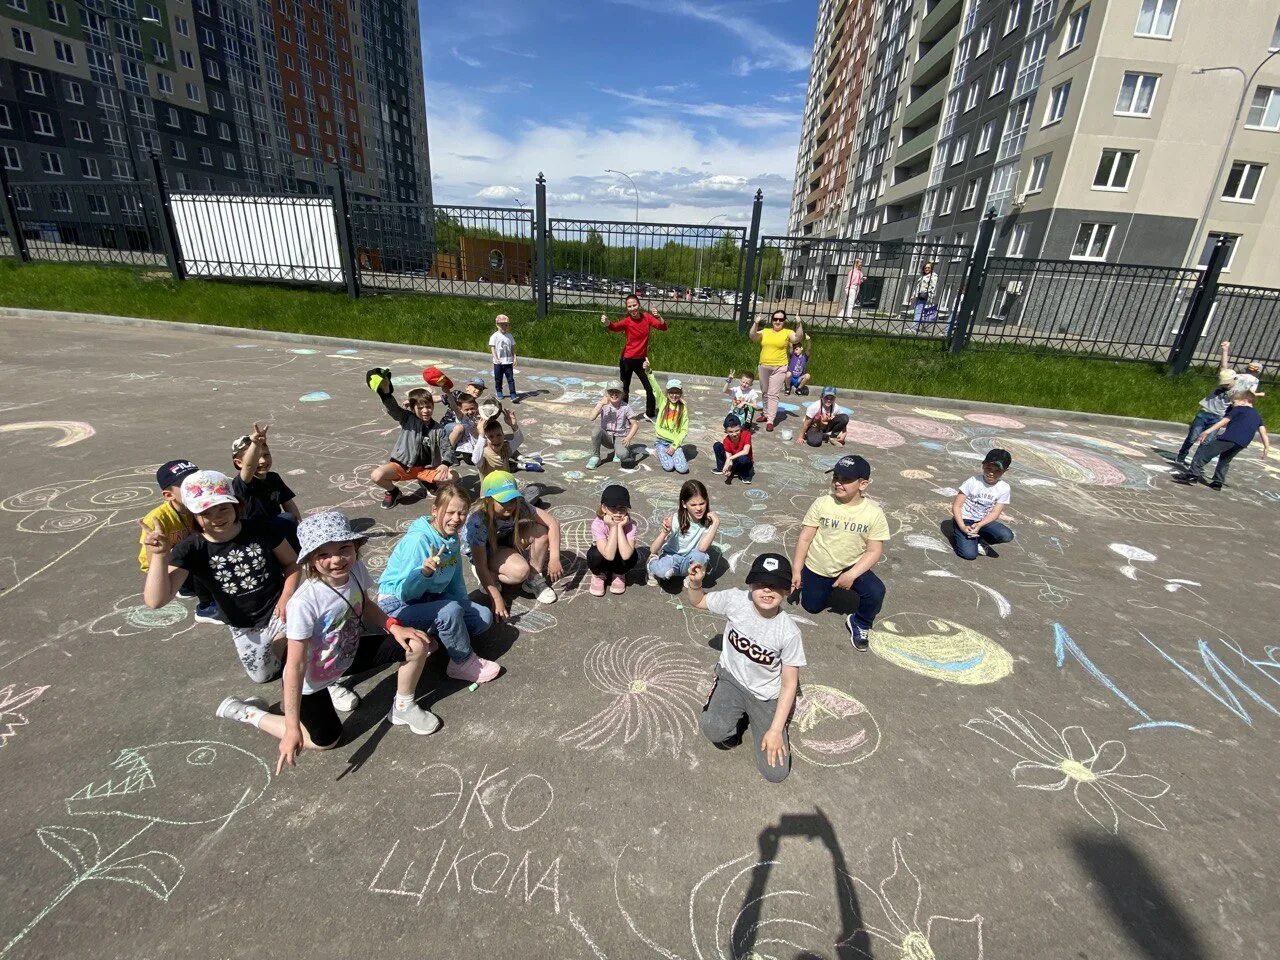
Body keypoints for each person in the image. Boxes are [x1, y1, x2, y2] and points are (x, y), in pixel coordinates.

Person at [215, 511, 441, 773]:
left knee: (415, 644)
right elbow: (295, 666)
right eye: (323, 553)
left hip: (347, 652)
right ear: (311, 558)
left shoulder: (355, 568)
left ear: (355, 546)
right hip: (314, 677)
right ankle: (248, 713)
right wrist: (290, 728)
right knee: (326, 741)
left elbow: (364, 604)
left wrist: (394, 626)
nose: (336, 560)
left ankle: (403, 706)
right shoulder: (304, 602)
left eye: (344, 548)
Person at [141, 470, 304, 687]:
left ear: (236, 506)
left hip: (279, 609)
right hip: (242, 623)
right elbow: (156, 600)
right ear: (193, 514)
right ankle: (290, 654)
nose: (217, 517)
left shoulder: (261, 528)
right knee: (262, 676)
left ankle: (311, 669)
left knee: (301, 654)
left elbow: (291, 563)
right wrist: (160, 556)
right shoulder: (190, 549)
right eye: (206, 512)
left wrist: (287, 596)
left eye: (223, 508)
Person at [687, 553, 805, 785]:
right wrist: (695, 583)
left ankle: (752, 718)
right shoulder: (735, 600)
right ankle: (735, 718)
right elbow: (698, 601)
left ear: (786, 591)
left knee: (776, 773)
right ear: (750, 583)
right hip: (732, 679)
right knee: (714, 731)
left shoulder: (789, 633)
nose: (767, 591)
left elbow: (790, 683)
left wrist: (775, 730)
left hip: (765, 696)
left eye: (776, 586)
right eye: (761, 583)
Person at [379, 484, 501, 684]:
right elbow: (405, 592)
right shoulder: (419, 540)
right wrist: (424, 574)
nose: (456, 519)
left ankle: (428, 635)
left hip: (427, 598)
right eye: (450, 512)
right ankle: (461, 662)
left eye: (462, 513)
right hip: (397, 604)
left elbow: (455, 582)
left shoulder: (451, 538)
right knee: (449, 611)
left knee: (481, 617)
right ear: (435, 510)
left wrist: (463, 607)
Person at [791, 455, 889, 651]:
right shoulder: (822, 503)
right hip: (819, 565)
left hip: (851, 564)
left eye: (845, 480)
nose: (838, 483)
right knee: (811, 607)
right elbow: (805, 538)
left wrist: (851, 574)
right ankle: (825, 587)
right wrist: (797, 570)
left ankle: (860, 622)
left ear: (863, 484)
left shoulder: (874, 513)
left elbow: (874, 550)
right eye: (836, 477)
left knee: (876, 591)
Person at [465, 470, 562, 618]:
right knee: (520, 571)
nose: (510, 505)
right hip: (484, 551)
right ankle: (491, 575)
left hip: (504, 540)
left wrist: (554, 558)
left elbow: (552, 523)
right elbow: (480, 565)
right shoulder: (477, 522)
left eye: (512, 499)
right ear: (488, 500)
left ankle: (534, 578)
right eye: (503, 501)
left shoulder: (519, 505)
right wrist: (496, 597)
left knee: (540, 530)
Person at [138, 458, 219, 623]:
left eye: (196, 481)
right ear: (168, 495)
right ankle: (206, 606)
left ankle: (195, 586)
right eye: (186, 485)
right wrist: (159, 551)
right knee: (196, 551)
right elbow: (152, 563)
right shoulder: (156, 519)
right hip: (169, 569)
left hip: (187, 563)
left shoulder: (202, 506)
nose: (195, 487)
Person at [369, 376, 458, 509]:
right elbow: (393, 409)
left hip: (425, 470)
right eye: (420, 407)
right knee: (377, 475)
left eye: (428, 406)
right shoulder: (407, 419)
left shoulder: (438, 429)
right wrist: (386, 393)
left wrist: (445, 464)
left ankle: (426, 482)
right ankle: (394, 492)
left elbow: (448, 449)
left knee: (453, 476)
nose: (425, 410)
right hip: (403, 466)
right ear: (412, 408)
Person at [1174, 390, 1270, 490]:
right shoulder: (1257, 415)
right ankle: (1218, 482)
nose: (1232, 405)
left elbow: (1223, 422)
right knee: (1225, 460)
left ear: (1244, 401)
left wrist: (1207, 431)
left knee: (1203, 452)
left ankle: (1192, 475)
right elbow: (1263, 432)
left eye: (1234, 402)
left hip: (1229, 438)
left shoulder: (1239, 409)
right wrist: (1266, 447)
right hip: (1242, 443)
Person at [232, 423, 301, 549]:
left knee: (290, 519)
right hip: (254, 533)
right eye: (256, 458)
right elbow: (249, 466)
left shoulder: (273, 478)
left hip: (276, 528)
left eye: (266, 455)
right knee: (286, 519)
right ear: (239, 463)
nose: (263, 461)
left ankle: (298, 556)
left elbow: (288, 503)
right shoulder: (242, 482)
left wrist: (301, 527)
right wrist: (255, 444)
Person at [601, 295, 668, 419]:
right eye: (629, 306)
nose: (632, 308)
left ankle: (650, 414)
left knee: (650, 387)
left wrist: (658, 316)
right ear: (627, 308)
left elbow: (663, 327)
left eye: (634, 305)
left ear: (639, 305)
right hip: (626, 360)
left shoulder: (647, 317)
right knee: (625, 388)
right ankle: (623, 414)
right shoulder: (627, 321)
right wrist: (607, 323)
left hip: (641, 360)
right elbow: (615, 327)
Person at [647, 478, 719, 582]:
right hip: (672, 558)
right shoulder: (676, 520)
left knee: (702, 556)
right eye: (693, 505)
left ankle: (690, 575)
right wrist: (664, 532)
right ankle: (652, 564)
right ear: (684, 504)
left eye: (702, 503)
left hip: (689, 561)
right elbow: (653, 550)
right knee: (663, 572)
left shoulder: (708, 521)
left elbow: (702, 549)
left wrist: (715, 524)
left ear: (706, 501)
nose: (698, 508)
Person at [951, 449, 1016, 560]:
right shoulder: (973, 482)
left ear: (1005, 471)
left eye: (997, 471)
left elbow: (995, 513)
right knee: (969, 555)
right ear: (983, 465)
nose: (991, 473)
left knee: (1006, 535)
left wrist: (980, 525)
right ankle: (960, 533)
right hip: (965, 520)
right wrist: (962, 526)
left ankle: (979, 539)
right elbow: (956, 506)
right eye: (988, 468)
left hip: (983, 522)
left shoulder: (1004, 488)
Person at [749, 309, 804, 431]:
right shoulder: (766, 331)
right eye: (775, 319)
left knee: (773, 394)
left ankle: (770, 420)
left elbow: (798, 338)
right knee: (764, 392)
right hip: (763, 366)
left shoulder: (787, 332)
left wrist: (799, 324)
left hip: (779, 367)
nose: (777, 321)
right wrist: (756, 323)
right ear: (772, 320)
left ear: (784, 321)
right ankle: (765, 413)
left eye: (780, 319)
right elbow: (753, 336)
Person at [1176, 369, 1237, 466]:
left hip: (1218, 417)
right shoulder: (1219, 384)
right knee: (1192, 437)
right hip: (1204, 413)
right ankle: (1181, 455)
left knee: (1206, 442)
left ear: (1234, 379)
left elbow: (1236, 406)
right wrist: (1225, 353)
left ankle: (1195, 462)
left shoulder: (1236, 391)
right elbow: (1224, 366)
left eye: (1227, 383)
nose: (1224, 385)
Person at [587, 484, 638, 596]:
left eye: (622, 508)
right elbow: (608, 555)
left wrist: (619, 527)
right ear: (604, 508)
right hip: (603, 559)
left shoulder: (630, 525)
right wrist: (613, 527)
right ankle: (598, 575)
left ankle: (619, 573)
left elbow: (625, 555)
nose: (618, 512)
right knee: (594, 554)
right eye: (613, 507)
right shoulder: (597, 524)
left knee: (633, 554)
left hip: (619, 560)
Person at [643, 358, 690, 473]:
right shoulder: (663, 402)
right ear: (667, 393)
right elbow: (655, 386)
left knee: (682, 469)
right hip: (661, 442)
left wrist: (674, 446)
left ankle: (673, 453)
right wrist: (649, 371)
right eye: (671, 392)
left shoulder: (683, 408)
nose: (674, 395)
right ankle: (658, 450)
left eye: (677, 392)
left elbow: (684, 430)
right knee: (669, 467)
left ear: (681, 393)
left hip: (674, 442)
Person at [472, 409, 543, 478]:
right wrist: (481, 435)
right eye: (491, 437)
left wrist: (514, 426)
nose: (496, 439)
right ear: (485, 439)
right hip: (490, 489)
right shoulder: (483, 455)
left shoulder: (505, 448)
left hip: (507, 486)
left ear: (503, 435)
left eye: (499, 435)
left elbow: (519, 439)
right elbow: (475, 460)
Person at [586, 386, 639, 469]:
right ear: (606, 394)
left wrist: (628, 437)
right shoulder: (603, 405)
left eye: (617, 392)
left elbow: (635, 424)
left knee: (623, 455)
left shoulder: (626, 407)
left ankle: (622, 451)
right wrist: (601, 403)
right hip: (606, 436)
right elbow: (591, 418)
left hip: (620, 437)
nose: (614, 394)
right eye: (611, 392)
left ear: (622, 394)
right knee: (596, 430)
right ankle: (596, 457)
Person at [714, 413, 755, 484]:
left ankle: (745, 475)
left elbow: (746, 451)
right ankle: (722, 469)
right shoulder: (726, 440)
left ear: (741, 428)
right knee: (717, 445)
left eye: (737, 430)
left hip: (745, 462)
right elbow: (728, 456)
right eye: (730, 432)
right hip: (734, 462)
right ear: (726, 431)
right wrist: (728, 470)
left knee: (743, 458)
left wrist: (729, 459)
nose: (734, 434)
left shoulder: (746, 434)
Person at [489, 314, 518, 402]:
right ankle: (499, 391)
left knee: (510, 378)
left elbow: (512, 347)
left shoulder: (510, 336)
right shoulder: (495, 336)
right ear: (497, 325)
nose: (504, 327)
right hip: (498, 362)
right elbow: (492, 347)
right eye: (501, 325)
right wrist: (495, 358)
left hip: (508, 361)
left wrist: (515, 357)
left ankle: (513, 394)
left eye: (506, 325)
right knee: (498, 378)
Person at [912, 261, 938, 329]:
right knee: (918, 311)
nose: (927, 269)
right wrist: (913, 295)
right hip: (919, 295)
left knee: (919, 311)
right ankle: (919, 326)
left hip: (924, 296)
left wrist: (929, 294)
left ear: (931, 268)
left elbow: (933, 287)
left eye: (928, 268)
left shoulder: (933, 276)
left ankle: (915, 328)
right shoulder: (923, 276)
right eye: (925, 268)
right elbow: (918, 287)